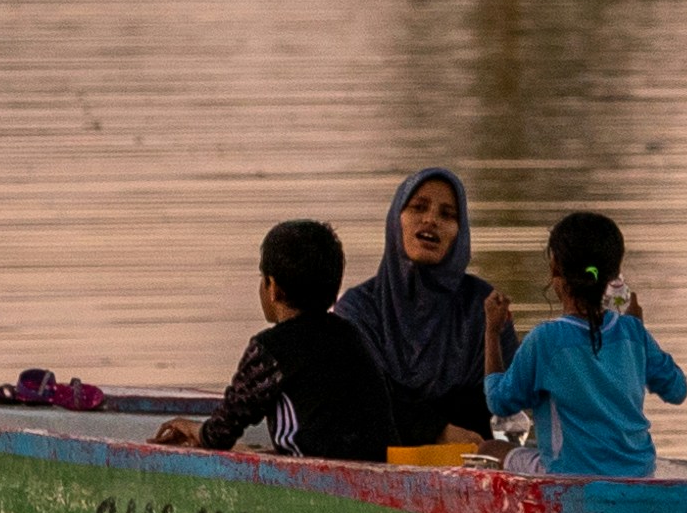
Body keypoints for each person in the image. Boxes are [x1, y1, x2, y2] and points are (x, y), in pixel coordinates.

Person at [156, 218, 412, 464]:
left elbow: (222, 431)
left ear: (273, 287)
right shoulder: (351, 335)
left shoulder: (271, 349)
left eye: (262, 277)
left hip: (321, 481)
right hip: (380, 467)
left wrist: (196, 431)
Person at [494, 211, 687, 478]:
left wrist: (491, 333)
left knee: (490, 448)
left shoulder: (545, 340)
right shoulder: (632, 332)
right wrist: (639, 333)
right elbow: (677, 389)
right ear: (614, 273)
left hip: (568, 478)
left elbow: (500, 402)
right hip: (639, 474)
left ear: (554, 267)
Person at [331, 166, 504, 441]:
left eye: (447, 215)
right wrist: (437, 431)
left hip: (473, 462)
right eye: (418, 207)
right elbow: (356, 401)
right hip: (382, 457)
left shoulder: (481, 306)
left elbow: (507, 403)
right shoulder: (359, 309)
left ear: (460, 232)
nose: (431, 220)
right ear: (395, 220)